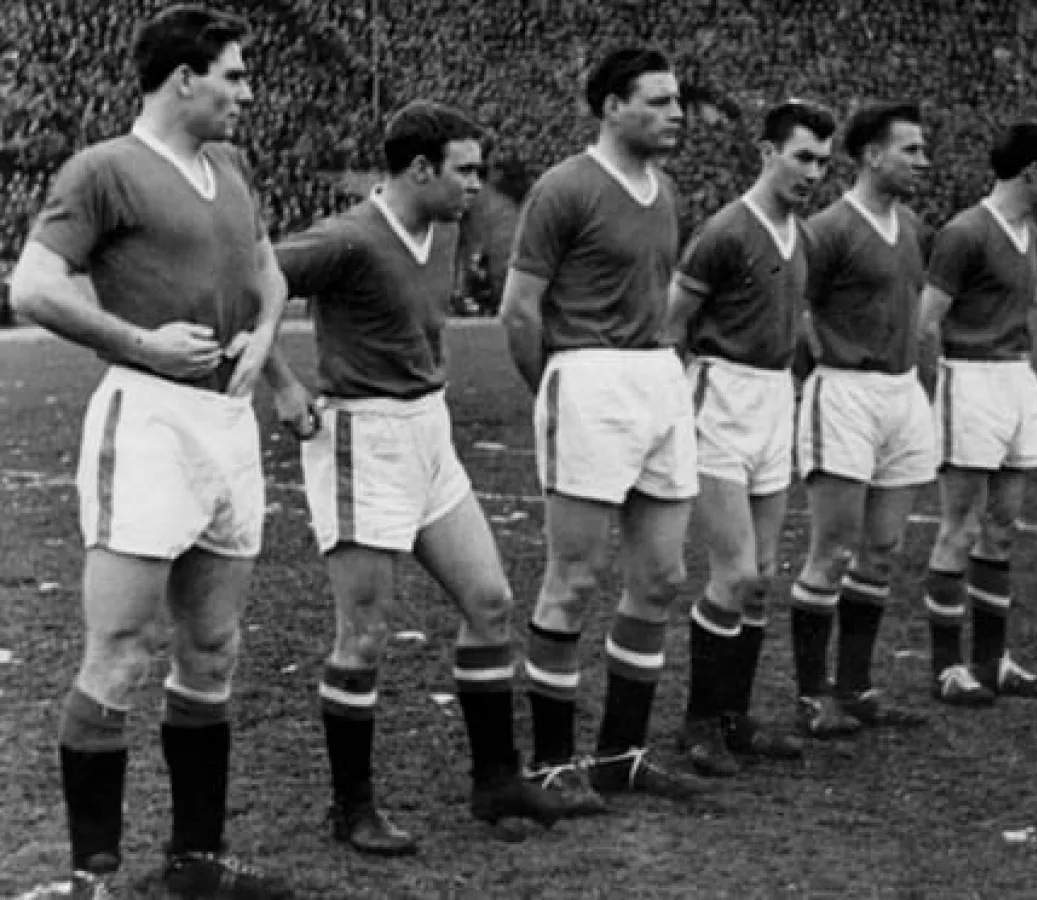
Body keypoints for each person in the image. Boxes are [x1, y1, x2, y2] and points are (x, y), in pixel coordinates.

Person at [9, 5, 294, 898]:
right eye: (235, 75)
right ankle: (92, 878)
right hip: (149, 422)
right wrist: (142, 344)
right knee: (122, 647)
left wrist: (265, 337)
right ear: (184, 78)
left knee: (212, 646)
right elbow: (32, 287)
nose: (248, 93)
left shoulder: (231, 166)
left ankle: (195, 861)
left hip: (227, 425)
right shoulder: (103, 170)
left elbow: (267, 268)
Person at [265, 101, 573, 856]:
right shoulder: (346, 238)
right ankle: (352, 809)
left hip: (429, 430)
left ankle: (496, 782)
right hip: (363, 438)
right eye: (465, 170)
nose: (477, 184)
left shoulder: (444, 226)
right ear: (419, 168)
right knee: (365, 633)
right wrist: (281, 384)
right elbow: (247, 282)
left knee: (490, 602)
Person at [500, 47, 707, 807]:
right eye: (657, 100)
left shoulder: (666, 190)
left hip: (658, 376)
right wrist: (557, 387)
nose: (675, 113)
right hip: (588, 376)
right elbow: (518, 310)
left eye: (676, 99)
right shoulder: (565, 187)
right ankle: (555, 765)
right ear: (612, 107)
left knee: (661, 578)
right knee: (574, 579)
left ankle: (621, 755)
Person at [662, 100, 836, 775]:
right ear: (767, 153)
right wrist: (672, 403)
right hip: (719, 397)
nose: (813, 173)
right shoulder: (727, 231)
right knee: (733, 573)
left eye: (822, 162)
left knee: (760, 578)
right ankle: (699, 723)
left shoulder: (804, 236)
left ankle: (735, 717)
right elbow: (672, 321)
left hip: (772, 398)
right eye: (802, 157)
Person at [789, 101, 934, 736]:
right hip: (845, 392)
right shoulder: (828, 230)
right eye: (911, 150)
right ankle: (810, 695)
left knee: (880, 551)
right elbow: (796, 309)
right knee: (833, 550)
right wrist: (821, 369)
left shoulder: (913, 228)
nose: (923, 161)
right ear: (873, 156)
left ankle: (855, 688)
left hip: (901, 393)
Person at [917, 122, 1037, 706]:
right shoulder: (965, 233)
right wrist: (937, 393)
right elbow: (926, 322)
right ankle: (947, 667)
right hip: (971, 377)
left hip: (1017, 378)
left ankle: (991, 659)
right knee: (959, 526)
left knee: (1002, 527)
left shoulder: (1031, 233)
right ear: (1031, 170)